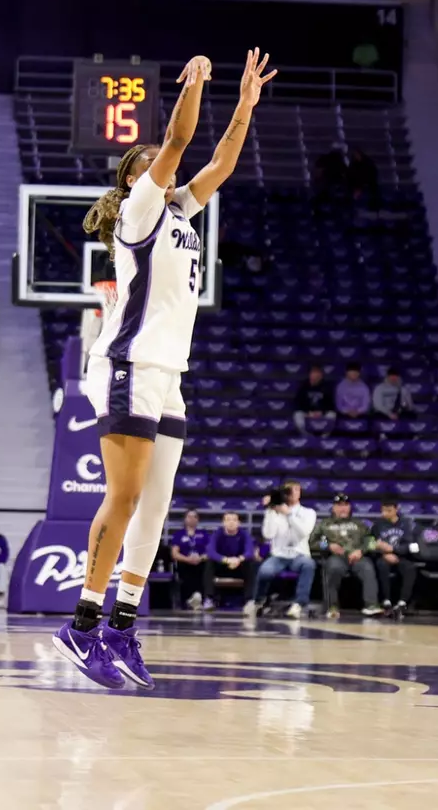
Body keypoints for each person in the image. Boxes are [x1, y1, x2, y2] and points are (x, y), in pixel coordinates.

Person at [54, 48, 277, 691]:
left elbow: (220, 164)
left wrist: (244, 105)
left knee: (155, 506)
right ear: (136, 179)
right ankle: (82, 623)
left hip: (166, 373)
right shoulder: (141, 210)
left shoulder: (180, 209)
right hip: (128, 364)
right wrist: (200, 81)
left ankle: (122, 628)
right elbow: (181, 138)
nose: (164, 159)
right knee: (122, 498)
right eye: (150, 159)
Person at [249, 482, 317, 619]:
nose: (295, 493)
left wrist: (289, 514)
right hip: (279, 555)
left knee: (308, 564)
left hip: (299, 554)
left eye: (297, 489)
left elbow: (304, 532)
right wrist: (270, 511)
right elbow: (268, 534)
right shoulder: (274, 513)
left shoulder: (308, 512)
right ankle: (258, 601)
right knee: (264, 571)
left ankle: (299, 604)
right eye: (291, 490)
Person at [369, 499, 418, 613]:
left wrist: (393, 550)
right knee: (381, 565)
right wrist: (383, 552)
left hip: (401, 556)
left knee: (410, 568)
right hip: (383, 556)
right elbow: (371, 543)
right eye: (383, 510)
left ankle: (403, 602)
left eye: (389, 510)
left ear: (396, 509)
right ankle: (386, 601)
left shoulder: (406, 524)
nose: (385, 513)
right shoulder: (377, 524)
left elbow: (410, 545)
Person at [205, 511, 255, 609]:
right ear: (223, 523)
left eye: (234, 520)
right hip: (222, 566)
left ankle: (249, 600)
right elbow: (211, 552)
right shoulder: (217, 534)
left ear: (238, 523)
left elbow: (250, 551)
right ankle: (209, 599)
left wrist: (238, 559)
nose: (231, 522)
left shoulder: (244, 534)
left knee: (250, 563)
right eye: (228, 520)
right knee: (209, 563)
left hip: (238, 566)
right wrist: (226, 560)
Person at [169, 510, 210, 610]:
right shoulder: (179, 534)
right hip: (184, 562)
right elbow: (174, 554)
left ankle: (200, 598)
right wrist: (188, 559)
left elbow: (210, 551)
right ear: (185, 519)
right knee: (184, 569)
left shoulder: (203, 534)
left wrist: (200, 558)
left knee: (205, 568)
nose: (192, 519)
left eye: (194, 517)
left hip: (200, 562)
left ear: (198, 519)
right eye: (189, 516)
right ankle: (189, 600)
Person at [291, 364, 334, 436]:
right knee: (297, 415)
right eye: (313, 372)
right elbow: (298, 403)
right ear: (310, 374)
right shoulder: (303, 386)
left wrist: (321, 412)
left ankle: (323, 438)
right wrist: (308, 412)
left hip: (321, 413)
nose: (316, 375)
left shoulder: (327, 387)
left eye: (318, 373)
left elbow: (330, 404)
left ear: (321, 375)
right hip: (308, 413)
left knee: (332, 415)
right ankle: (308, 437)